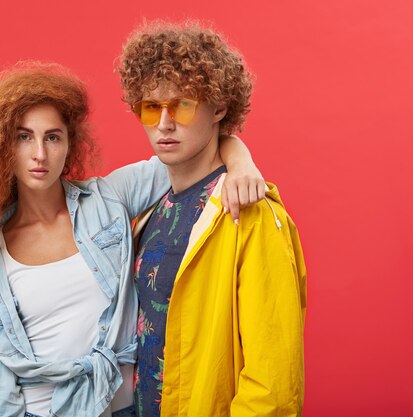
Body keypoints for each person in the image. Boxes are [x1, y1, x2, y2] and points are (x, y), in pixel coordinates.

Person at [0, 62, 263, 417]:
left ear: (70, 143)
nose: (40, 154)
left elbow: (190, 154)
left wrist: (241, 163)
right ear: (1, 147)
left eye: (52, 137)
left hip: (127, 407)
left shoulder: (108, 199)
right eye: (24, 137)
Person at [118, 20, 307, 417]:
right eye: (152, 107)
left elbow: (274, 385)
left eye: (183, 105)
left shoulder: (251, 214)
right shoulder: (148, 212)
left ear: (219, 107)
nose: (164, 124)